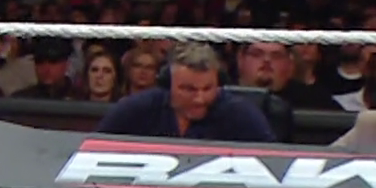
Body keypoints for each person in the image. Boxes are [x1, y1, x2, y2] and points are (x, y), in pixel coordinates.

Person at [97, 42, 276, 142]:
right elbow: (94, 151)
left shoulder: (241, 115)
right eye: (189, 89)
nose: (199, 99)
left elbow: (273, 164)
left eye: (207, 88)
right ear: (169, 83)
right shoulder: (135, 109)